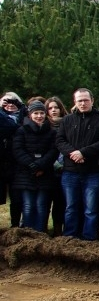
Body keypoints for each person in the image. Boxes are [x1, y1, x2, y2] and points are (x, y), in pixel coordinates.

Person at [55, 88, 99, 240]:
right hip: (70, 171)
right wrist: (73, 154)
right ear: (75, 102)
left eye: (86, 100)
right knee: (70, 208)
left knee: (90, 209)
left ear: (92, 100)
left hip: (93, 171)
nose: (83, 103)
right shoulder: (67, 120)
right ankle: (70, 237)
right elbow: (59, 140)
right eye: (79, 100)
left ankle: (89, 239)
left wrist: (83, 153)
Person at [12, 100, 58, 232]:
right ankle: (28, 233)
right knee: (28, 205)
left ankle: (40, 232)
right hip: (26, 174)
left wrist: (40, 166)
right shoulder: (21, 130)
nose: (39, 116)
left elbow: (53, 151)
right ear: (30, 115)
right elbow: (18, 150)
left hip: (45, 173)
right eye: (36, 113)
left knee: (41, 205)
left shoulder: (51, 132)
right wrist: (32, 165)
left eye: (42, 113)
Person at [0, 92, 25, 227]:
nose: (10, 104)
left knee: (17, 198)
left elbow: (13, 127)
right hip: (2, 163)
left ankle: (15, 226)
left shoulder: (25, 116)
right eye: (6, 101)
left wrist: (22, 108)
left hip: (17, 163)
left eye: (14, 101)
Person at [45, 96, 69, 235]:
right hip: (49, 169)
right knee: (47, 203)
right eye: (50, 108)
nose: (54, 110)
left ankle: (60, 230)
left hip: (66, 168)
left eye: (56, 107)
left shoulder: (68, 123)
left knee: (63, 203)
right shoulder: (44, 126)